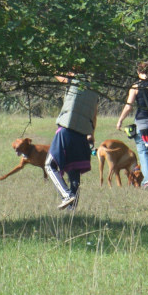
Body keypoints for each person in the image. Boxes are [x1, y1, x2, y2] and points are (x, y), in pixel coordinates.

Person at [44, 71, 98, 211]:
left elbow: (60, 76)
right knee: (74, 171)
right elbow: (94, 115)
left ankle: (66, 195)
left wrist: (45, 64)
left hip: (66, 129)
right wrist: (91, 134)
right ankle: (72, 211)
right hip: (82, 133)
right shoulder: (95, 89)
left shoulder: (73, 79)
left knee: (50, 165)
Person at [113, 60, 148, 189]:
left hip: (142, 122)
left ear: (138, 71)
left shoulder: (135, 87)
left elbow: (129, 106)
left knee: (142, 151)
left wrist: (120, 120)